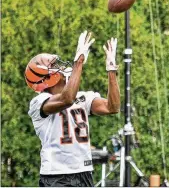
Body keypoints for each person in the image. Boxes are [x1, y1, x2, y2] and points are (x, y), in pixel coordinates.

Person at [25, 30, 120, 187]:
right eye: (54, 66)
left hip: (84, 172)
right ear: (46, 77)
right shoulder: (39, 102)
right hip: (56, 175)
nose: (61, 66)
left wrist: (111, 70)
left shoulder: (83, 97)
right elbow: (67, 99)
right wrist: (79, 61)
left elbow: (113, 107)